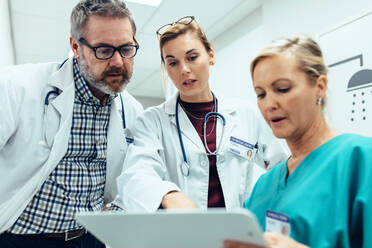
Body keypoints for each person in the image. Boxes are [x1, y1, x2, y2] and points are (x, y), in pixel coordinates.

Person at [0, 0, 143, 247]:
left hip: (91, 239)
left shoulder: (132, 110)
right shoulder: (17, 86)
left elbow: (130, 182)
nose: (118, 62)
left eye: (126, 49)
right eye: (104, 50)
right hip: (22, 238)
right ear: (76, 47)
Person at [117, 16, 288, 211]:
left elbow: (281, 167)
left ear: (211, 56)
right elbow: (135, 176)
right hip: (185, 235)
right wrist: (168, 195)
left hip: (240, 231)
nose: (184, 70)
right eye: (172, 63)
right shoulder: (151, 122)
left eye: (192, 57)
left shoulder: (245, 114)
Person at [224, 35, 372, 248]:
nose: (269, 104)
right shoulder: (263, 187)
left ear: (319, 86)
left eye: (282, 89)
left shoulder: (360, 160)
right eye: (261, 94)